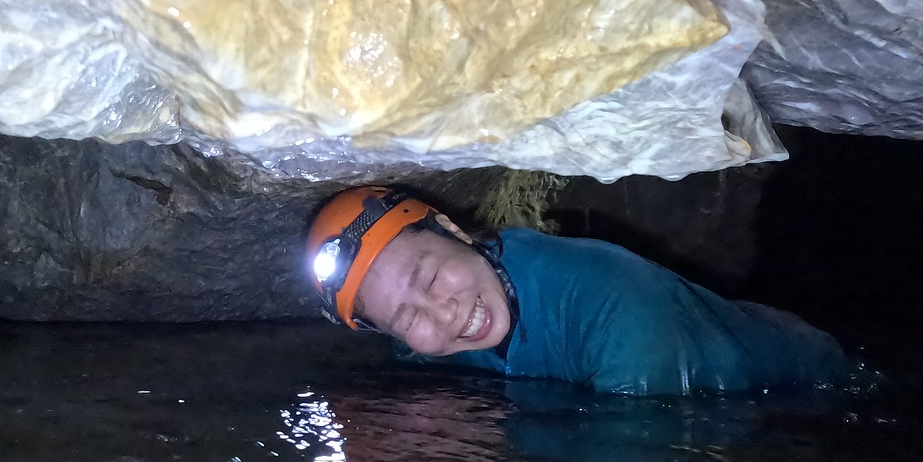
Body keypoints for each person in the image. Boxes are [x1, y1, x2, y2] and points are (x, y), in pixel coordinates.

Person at [305, 186, 845, 396]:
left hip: (817, 380)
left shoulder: (613, 306)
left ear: (452, 230)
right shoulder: (427, 343)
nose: (440, 315)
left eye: (428, 277)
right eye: (405, 318)